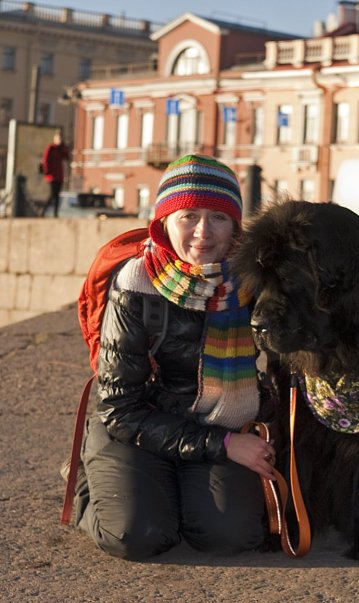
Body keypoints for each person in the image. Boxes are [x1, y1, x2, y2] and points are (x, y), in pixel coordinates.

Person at [70, 154, 276, 560]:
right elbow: (120, 407)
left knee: (231, 536)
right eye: (188, 216)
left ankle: (179, 491)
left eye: (218, 217)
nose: (203, 231)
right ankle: (88, 481)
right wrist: (226, 447)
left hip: (217, 421)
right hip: (136, 426)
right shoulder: (136, 283)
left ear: (236, 226)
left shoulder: (251, 283)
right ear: (163, 222)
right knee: (137, 535)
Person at [41, 130, 70, 217]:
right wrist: (47, 171)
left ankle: (55, 213)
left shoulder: (61, 149)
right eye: (58, 138)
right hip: (52, 176)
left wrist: (64, 148)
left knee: (57, 195)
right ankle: (43, 211)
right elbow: (45, 160)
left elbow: (67, 157)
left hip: (59, 176)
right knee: (53, 194)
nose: (59, 140)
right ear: (55, 138)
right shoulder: (51, 148)